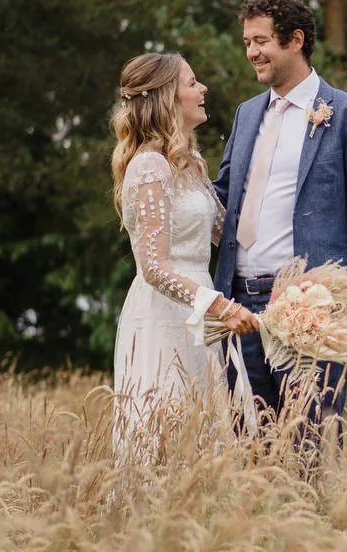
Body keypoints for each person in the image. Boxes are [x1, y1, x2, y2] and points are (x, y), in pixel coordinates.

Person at [212, 0, 347, 456]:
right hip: (240, 309)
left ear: (295, 40)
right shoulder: (246, 114)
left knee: (311, 449)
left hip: (311, 310)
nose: (251, 52)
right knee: (252, 452)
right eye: (247, 42)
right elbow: (223, 198)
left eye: (261, 41)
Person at [110, 52, 258, 465]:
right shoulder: (149, 166)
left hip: (201, 315)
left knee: (205, 439)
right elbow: (154, 268)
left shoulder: (190, 165)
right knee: (166, 437)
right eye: (192, 83)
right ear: (166, 98)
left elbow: (229, 236)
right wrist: (219, 306)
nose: (203, 88)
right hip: (165, 315)